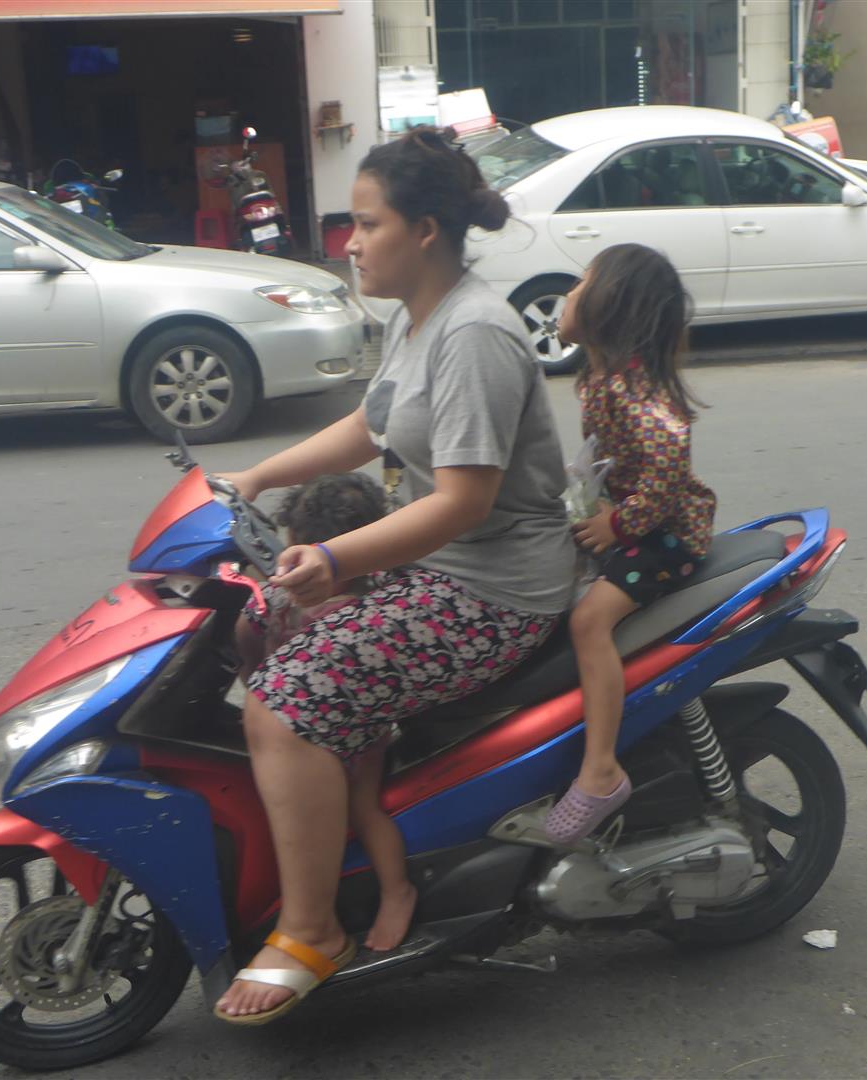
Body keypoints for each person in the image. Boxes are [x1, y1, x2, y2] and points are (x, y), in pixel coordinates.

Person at [212, 127, 576, 1025]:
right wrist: (254, 477)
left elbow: (463, 502)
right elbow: (368, 428)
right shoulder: (417, 318)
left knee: (280, 703)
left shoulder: (475, 334)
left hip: (494, 591)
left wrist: (336, 558)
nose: (350, 243)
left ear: (424, 231)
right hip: (438, 569)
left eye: (367, 224)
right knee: (258, 635)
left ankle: (313, 930)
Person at [543, 244, 717, 846]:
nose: (569, 292)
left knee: (589, 622)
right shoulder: (599, 377)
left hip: (669, 536)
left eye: (581, 282)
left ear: (611, 304)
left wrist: (621, 525)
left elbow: (669, 460)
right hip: (636, 520)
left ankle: (600, 769)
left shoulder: (629, 385)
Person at [233, 472, 415, 953]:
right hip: (296, 723)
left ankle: (397, 891)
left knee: (362, 807)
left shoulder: (351, 605)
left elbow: (245, 639)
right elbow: (245, 632)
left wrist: (253, 681)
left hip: (355, 733)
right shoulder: (346, 596)